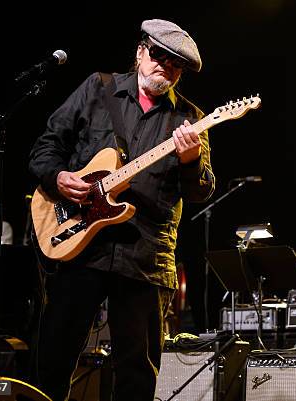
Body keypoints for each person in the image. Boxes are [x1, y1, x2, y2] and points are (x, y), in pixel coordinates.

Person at [28, 19, 214, 400]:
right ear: (141, 51)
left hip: (145, 257)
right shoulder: (98, 88)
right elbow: (46, 146)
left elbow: (201, 191)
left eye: (176, 64)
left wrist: (191, 159)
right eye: (160, 56)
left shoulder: (191, 120)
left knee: (136, 371)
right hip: (80, 246)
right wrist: (58, 177)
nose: (166, 67)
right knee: (53, 358)